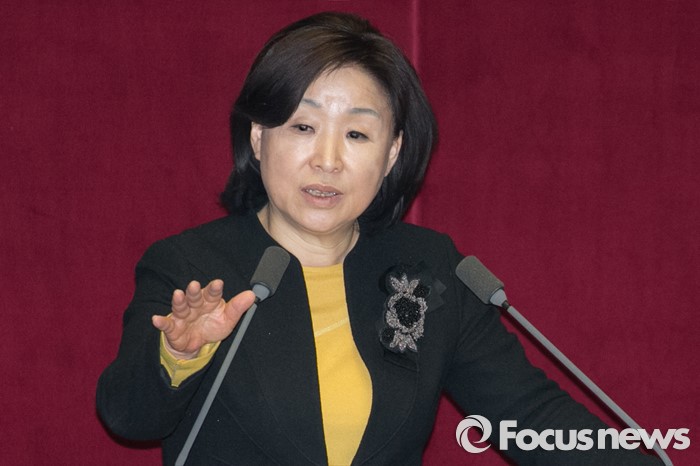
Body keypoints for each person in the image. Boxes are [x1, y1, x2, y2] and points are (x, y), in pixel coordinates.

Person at [97, 12, 663, 466]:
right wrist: (178, 354)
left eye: (357, 134)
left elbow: (533, 418)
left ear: (391, 153)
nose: (327, 160)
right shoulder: (192, 266)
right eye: (303, 126)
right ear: (259, 136)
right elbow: (129, 417)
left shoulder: (427, 268)